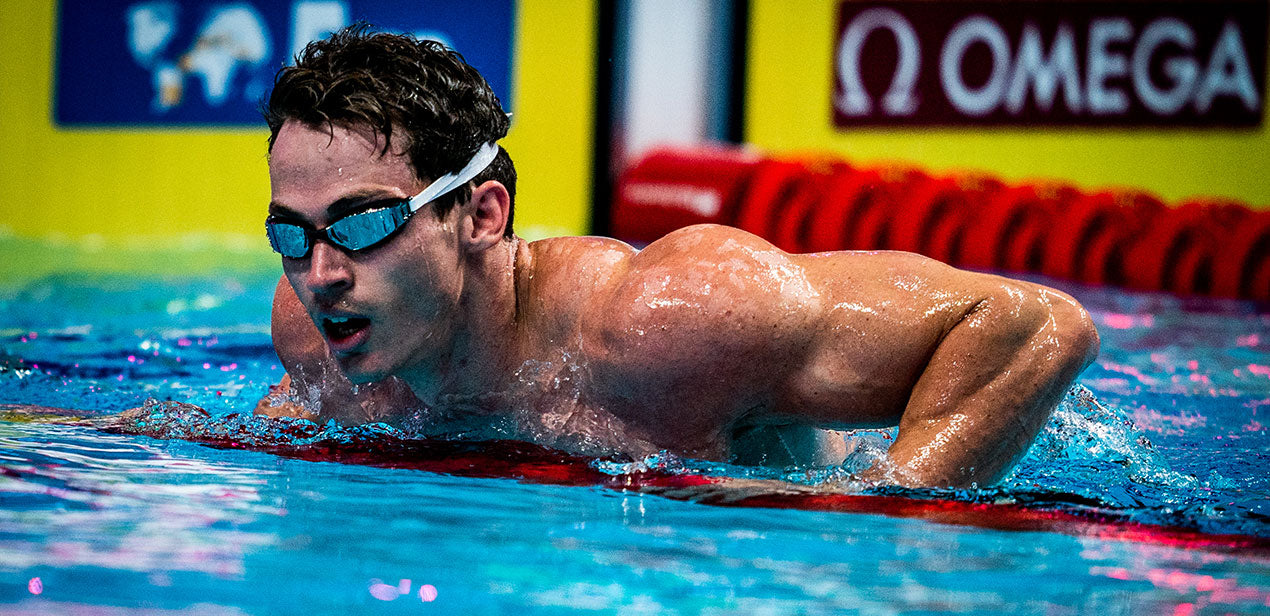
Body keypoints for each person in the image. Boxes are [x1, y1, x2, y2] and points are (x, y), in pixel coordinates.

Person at [254, 25, 1100, 488]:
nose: (321, 273)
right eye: (290, 233)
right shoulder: (320, 338)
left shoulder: (667, 323)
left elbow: (1032, 323)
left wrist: (878, 517)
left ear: (480, 215)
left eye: (361, 224)